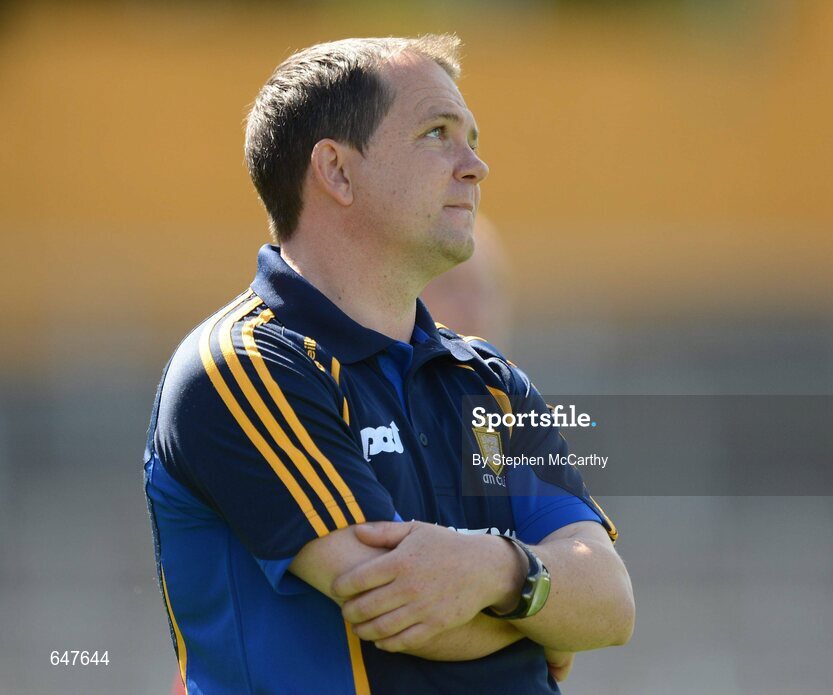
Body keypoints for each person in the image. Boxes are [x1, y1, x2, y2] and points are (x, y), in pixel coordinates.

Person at [144, 35, 634, 695]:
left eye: (473, 137)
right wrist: (545, 612)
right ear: (337, 171)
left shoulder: (489, 381)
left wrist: (498, 571)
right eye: (437, 133)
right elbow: (407, 611)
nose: (476, 166)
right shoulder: (242, 365)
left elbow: (610, 602)